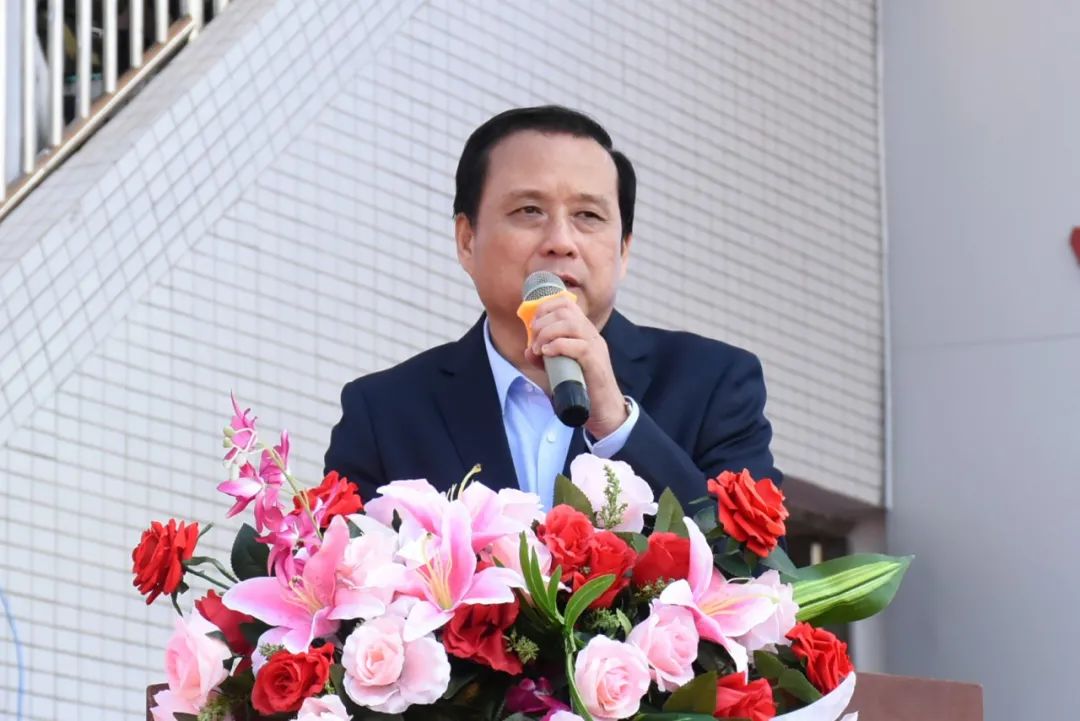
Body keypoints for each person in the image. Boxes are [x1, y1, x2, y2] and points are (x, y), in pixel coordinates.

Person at [324, 105, 780, 510]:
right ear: (467, 239)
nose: (561, 242)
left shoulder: (714, 384)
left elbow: (751, 565)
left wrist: (617, 424)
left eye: (588, 216)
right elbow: (342, 570)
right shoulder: (385, 412)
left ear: (623, 250)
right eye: (529, 211)